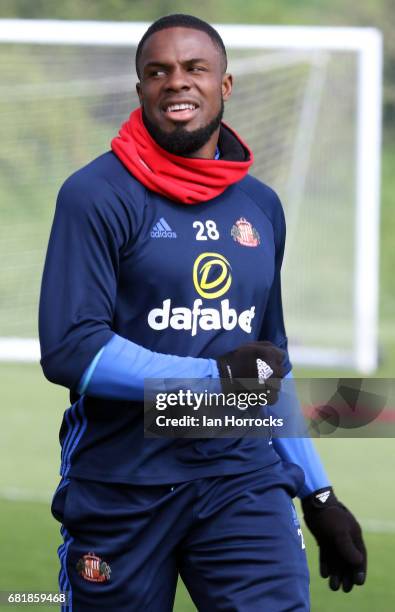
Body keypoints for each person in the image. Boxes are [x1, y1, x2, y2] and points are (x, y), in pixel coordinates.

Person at [39, 14, 366, 611]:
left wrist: (317, 493)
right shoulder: (94, 196)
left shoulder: (260, 208)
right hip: (123, 481)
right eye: (157, 71)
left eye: (195, 68)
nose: (176, 82)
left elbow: (270, 370)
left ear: (226, 84)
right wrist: (213, 379)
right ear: (139, 89)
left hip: (240, 475)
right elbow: (72, 350)